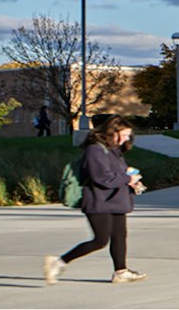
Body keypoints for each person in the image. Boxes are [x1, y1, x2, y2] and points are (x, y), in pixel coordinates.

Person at [45, 116, 144, 285]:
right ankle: (58, 262)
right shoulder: (95, 150)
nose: (127, 139)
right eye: (125, 134)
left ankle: (121, 271)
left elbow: (119, 174)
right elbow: (101, 178)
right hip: (99, 202)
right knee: (100, 240)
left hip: (116, 201)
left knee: (120, 236)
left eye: (128, 136)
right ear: (113, 132)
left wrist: (133, 182)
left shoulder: (114, 151)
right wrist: (127, 180)